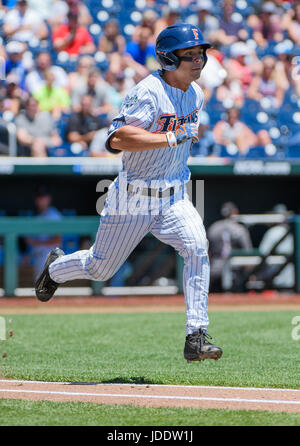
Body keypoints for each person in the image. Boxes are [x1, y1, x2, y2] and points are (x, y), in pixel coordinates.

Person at [35, 23, 223, 364]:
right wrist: (169, 137)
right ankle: (56, 268)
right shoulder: (147, 92)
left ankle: (195, 336)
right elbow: (117, 138)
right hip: (133, 195)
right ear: (168, 59)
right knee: (100, 268)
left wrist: (174, 139)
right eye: (190, 55)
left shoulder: (197, 94)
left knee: (197, 246)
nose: (199, 60)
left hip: (175, 195)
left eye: (201, 54)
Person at [207, 202, 253, 292]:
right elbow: (248, 252)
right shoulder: (239, 229)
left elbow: (208, 253)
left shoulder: (213, 227)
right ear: (235, 212)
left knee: (214, 297)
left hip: (215, 269)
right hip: (235, 270)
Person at [26, 186, 62, 281]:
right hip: (39, 257)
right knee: (40, 289)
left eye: (43, 197)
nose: (41, 200)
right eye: (39, 197)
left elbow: (57, 239)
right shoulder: (38, 215)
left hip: (50, 257)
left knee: (46, 289)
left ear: (49, 199)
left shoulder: (53, 215)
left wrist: (35, 242)